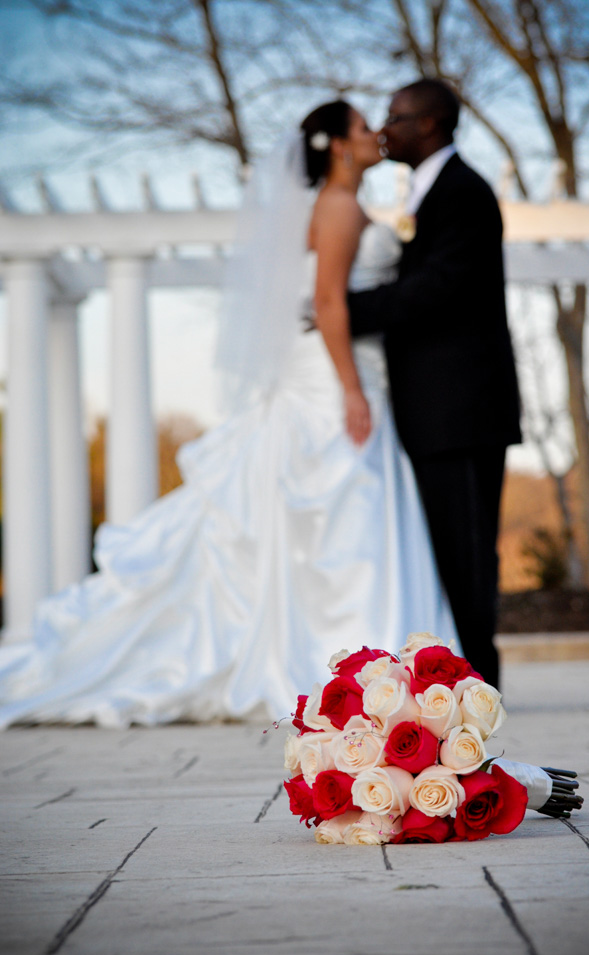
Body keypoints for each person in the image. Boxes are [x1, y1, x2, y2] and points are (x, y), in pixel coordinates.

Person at [0, 100, 457, 728]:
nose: (374, 133)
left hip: (336, 371)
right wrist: (351, 390)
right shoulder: (341, 207)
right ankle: (358, 660)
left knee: (337, 511)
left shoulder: (328, 207)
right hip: (333, 378)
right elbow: (327, 302)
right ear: (336, 147)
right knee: (350, 508)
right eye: (360, 128)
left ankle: (357, 659)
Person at [349, 79, 522, 690]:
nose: (384, 127)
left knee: (468, 552)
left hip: (462, 411)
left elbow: (439, 288)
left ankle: (481, 686)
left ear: (430, 125)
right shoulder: (431, 193)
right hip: (436, 411)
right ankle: (464, 681)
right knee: (450, 551)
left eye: (395, 116)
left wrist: (346, 311)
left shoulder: (464, 193)